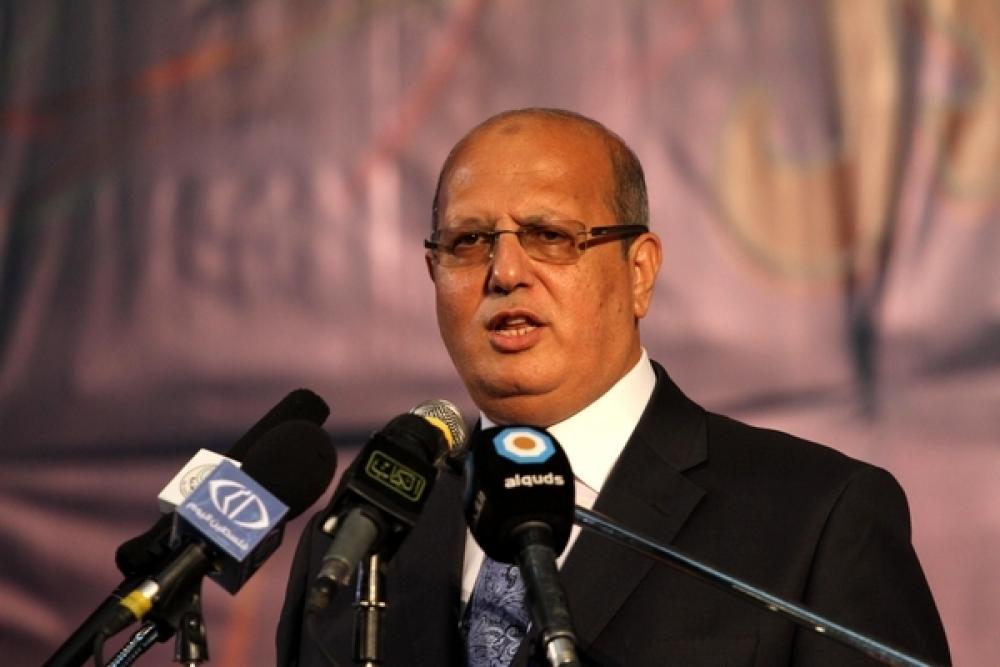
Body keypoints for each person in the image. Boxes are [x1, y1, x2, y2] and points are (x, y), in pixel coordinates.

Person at [277, 108, 950, 666]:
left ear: (639, 272)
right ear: (433, 273)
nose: (504, 272)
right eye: (469, 241)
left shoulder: (816, 518)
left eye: (549, 235)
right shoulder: (359, 541)